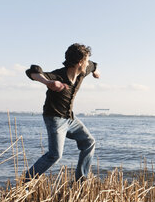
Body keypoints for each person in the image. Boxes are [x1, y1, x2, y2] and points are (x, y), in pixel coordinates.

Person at [24, 43, 100, 181]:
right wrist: (47, 82)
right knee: (55, 155)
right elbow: (32, 72)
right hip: (54, 119)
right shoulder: (57, 76)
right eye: (86, 60)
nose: (88, 63)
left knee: (89, 142)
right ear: (80, 62)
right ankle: (27, 181)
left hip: (70, 118)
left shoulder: (83, 71)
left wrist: (96, 72)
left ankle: (81, 180)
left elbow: (94, 65)